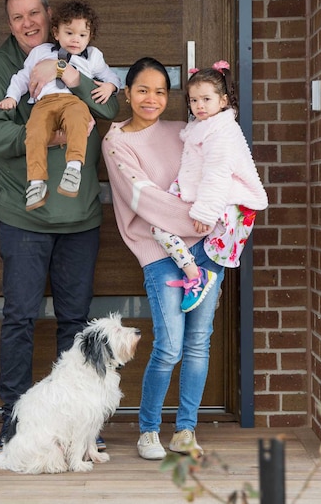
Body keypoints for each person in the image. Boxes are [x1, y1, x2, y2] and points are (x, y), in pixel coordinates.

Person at [0, 0, 120, 449]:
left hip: (80, 218)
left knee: (75, 321)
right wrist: (51, 139)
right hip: (25, 216)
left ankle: (75, 425)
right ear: (10, 23)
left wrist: (58, 68)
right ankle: (15, 421)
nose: (27, 22)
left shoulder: (80, 55)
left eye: (34, 12)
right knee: (19, 317)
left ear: (49, 14)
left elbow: (111, 105)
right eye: (17, 16)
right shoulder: (1, 69)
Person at [102, 56, 225, 460]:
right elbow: (144, 199)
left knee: (198, 344)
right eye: (142, 90)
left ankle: (185, 430)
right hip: (160, 252)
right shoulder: (116, 141)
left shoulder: (187, 131)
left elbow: (221, 172)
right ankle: (149, 430)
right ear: (127, 93)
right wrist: (200, 217)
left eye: (159, 91)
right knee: (170, 345)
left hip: (207, 251)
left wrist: (220, 217)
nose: (151, 98)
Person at [152, 60, 268, 313]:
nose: (199, 106)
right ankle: (200, 278)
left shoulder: (222, 132)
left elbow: (218, 174)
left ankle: (200, 280)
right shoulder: (202, 128)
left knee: (173, 232)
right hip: (210, 195)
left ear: (223, 101)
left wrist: (205, 212)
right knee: (160, 224)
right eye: (194, 101)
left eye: (206, 99)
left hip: (228, 201)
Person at [0, 0, 121, 211]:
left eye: (82, 35)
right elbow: (22, 77)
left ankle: (73, 168)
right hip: (44, 103)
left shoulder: (93, 56)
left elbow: (111, 76)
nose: (76, 40)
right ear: (56, 33)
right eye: (69, 33)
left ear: (89, 36)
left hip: (73, 101)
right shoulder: (40, 52)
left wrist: (110, 86)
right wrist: (12, 96)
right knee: (34, 133)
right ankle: (36, 183)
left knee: (77, 123)